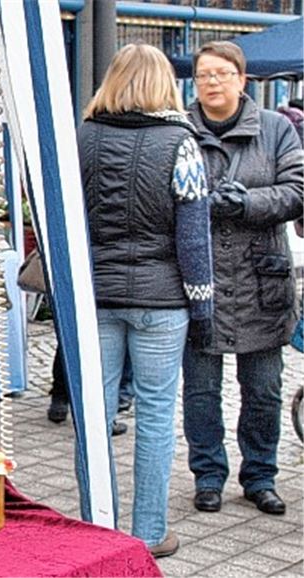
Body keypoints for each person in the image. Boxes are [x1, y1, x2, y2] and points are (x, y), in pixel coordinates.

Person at [76, 43, 215, 558]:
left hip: (97, 295)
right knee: (156, 415)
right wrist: (202, 307)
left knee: (96, 414)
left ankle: (98, 529)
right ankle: (148, 533)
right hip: (162, 302)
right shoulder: (182, 142)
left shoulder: (84, 138)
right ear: (164, 85)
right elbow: (193, 238)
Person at [183, 41, 304, 517]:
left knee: (264, 390)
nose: (212, 82)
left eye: (221, 73)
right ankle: (208, 475)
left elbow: (298, 191)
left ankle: (260, 475)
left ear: (242, 79)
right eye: (203, 74)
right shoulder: (180, 130)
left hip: (262, 284)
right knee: (200, 392)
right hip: (201, 281)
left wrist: (246, 203)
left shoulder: (276, 129)